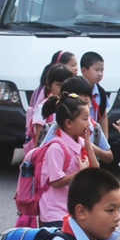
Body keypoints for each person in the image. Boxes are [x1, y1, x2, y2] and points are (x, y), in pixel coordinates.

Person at [38, 95, 100, 227]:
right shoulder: (56, 147)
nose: (88, 124)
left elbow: (96, 171)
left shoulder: (82, 142)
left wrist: (88, 145)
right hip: (55, 214)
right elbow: (55, 182)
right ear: (69, 123)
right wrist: (80, 173)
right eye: (84, 119)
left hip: (72, 211)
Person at [40, 76, 120, 168]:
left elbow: (109, 157)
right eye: (80, 103)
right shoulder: (57, 128)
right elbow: (41, 154)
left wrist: (92, 148)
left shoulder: (94, 127)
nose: (85, 107)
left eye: (87, 102)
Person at [29, 64, 73, 150]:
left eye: (66, 84)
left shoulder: (72, 106)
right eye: (59, 85)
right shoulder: (43, 107)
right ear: (49, 85)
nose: (63, 89)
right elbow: (39, 141)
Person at [80, 52, 108, 139]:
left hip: (93, 136)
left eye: (102, 70)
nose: (100, 74)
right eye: (96, 70)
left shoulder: (101, 92)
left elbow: (103, 117)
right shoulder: (75, 89)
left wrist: (105, 139)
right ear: (84, 71)